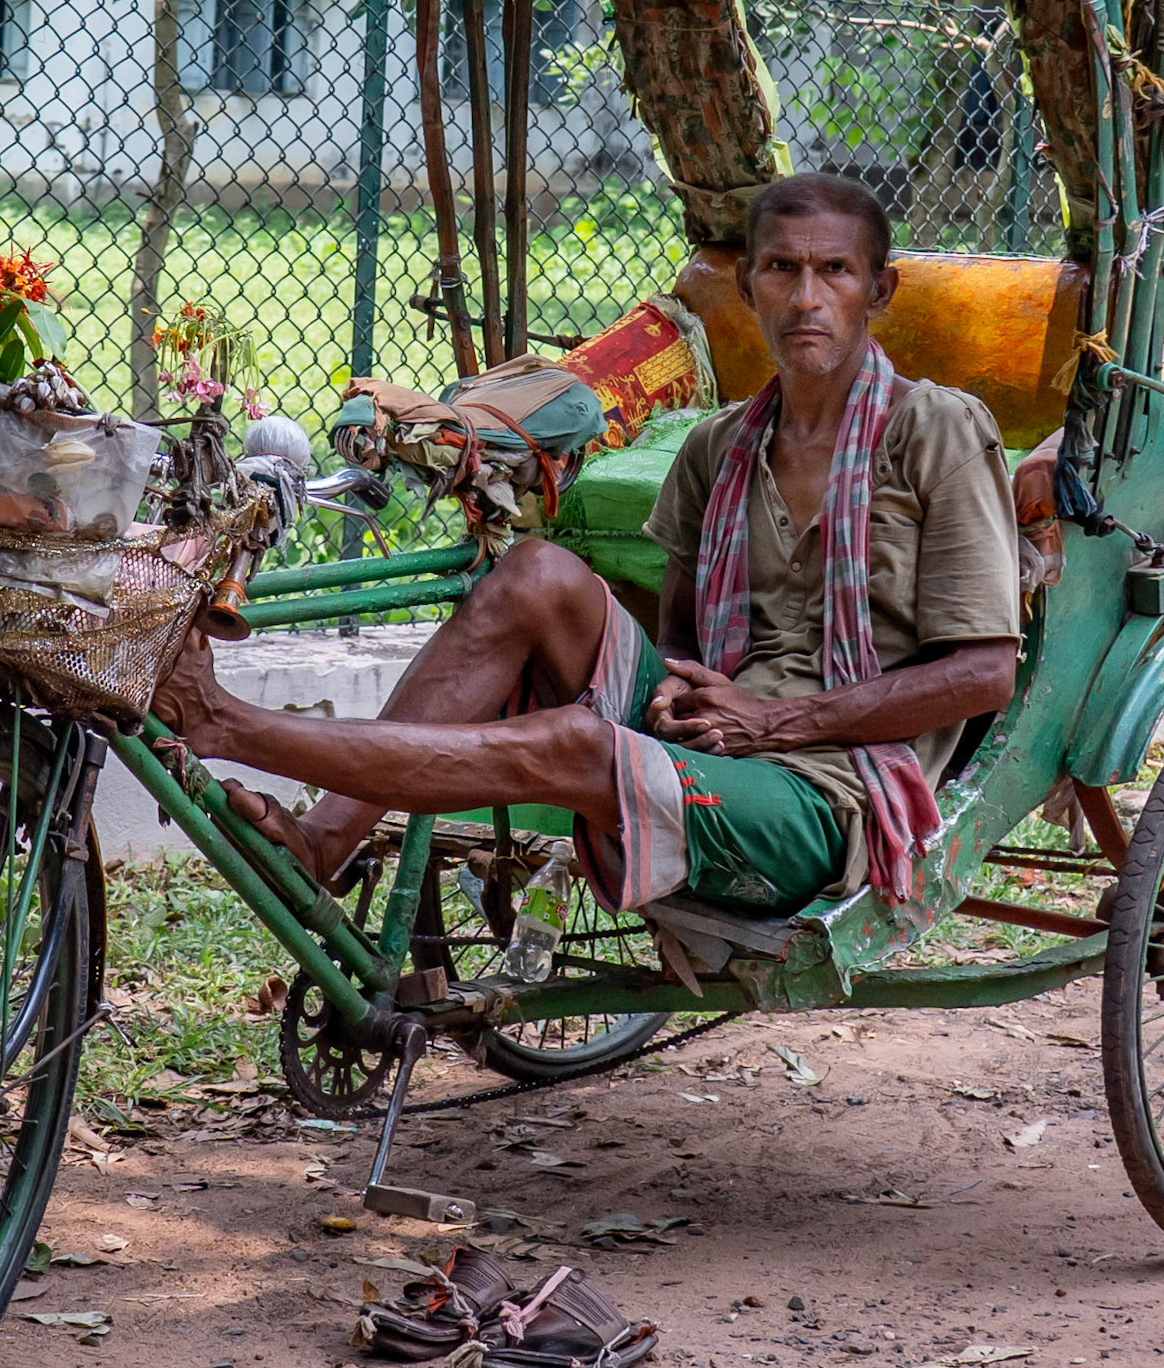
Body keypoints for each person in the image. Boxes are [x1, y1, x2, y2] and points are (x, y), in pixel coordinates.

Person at [150, 172, 1021, 920]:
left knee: (574, 742)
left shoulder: (933, 429)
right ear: (748, 285)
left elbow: (984, 673)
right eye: (781, 270)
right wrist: (686, 696)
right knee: (534, 571)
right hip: (725, 736)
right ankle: (326, 839)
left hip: (829, 789)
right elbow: (678, 645)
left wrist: (776, 720)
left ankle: (225, 723)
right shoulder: (718, 448)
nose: (805, 299)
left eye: (834, 272)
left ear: (878, 293)